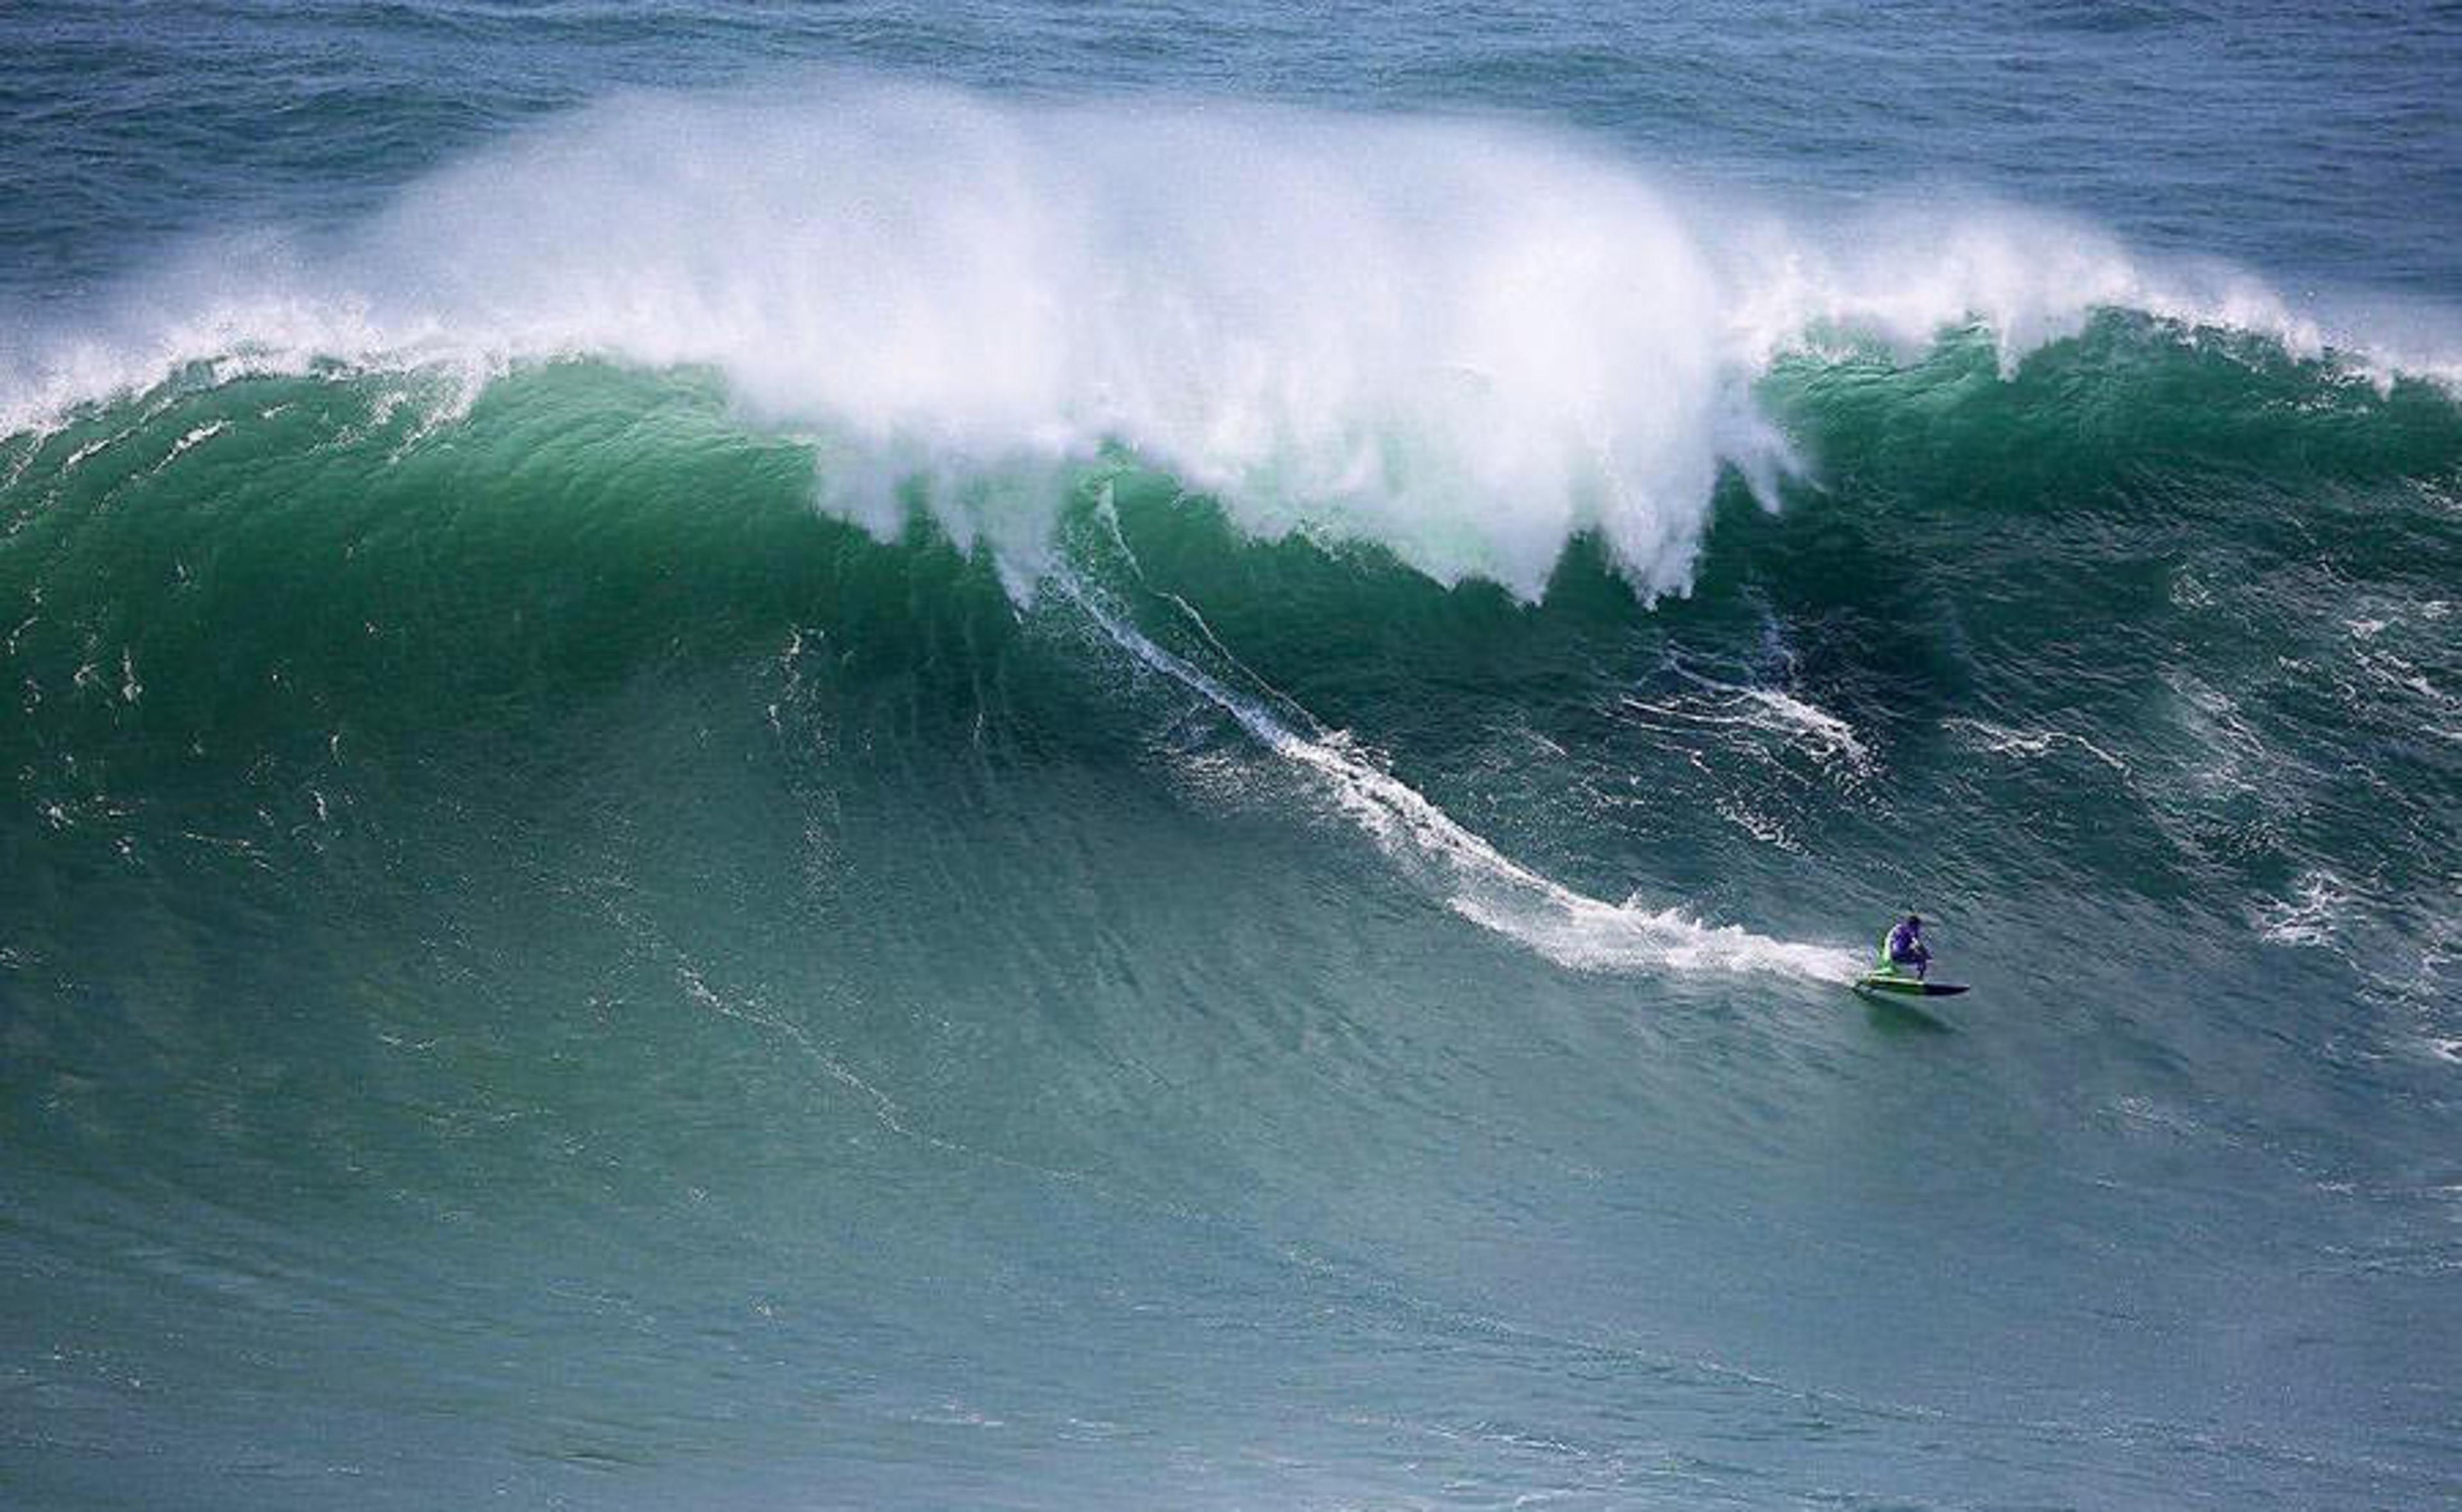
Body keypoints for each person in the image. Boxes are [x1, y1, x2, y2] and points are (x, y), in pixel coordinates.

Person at [1880, 913, 1930, 979]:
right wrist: (1926, 954)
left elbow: (1890, 941)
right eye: (1918, 925)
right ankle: (1920, 978)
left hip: (1890, 955)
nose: (1919, 928)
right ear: (1915, 924)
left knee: (1892, 969)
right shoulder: (1911, 929)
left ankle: (1888, 969)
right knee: (1922, 958)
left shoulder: (1899, 928)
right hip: (1900, 954)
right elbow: (1917, 944)